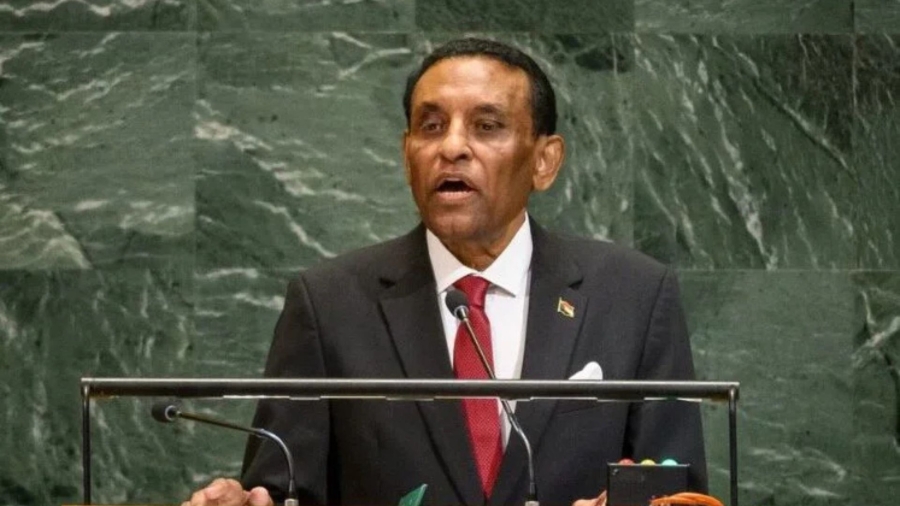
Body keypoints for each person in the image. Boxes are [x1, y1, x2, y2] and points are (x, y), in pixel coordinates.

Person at [185, 38, 706, 506]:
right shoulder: (329, 304)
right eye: (431, 127)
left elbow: (680, 493)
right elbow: (283, 487)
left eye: (486, 126)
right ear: (407, 154)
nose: (451, 147)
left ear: (544, 161)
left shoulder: (633, 296)